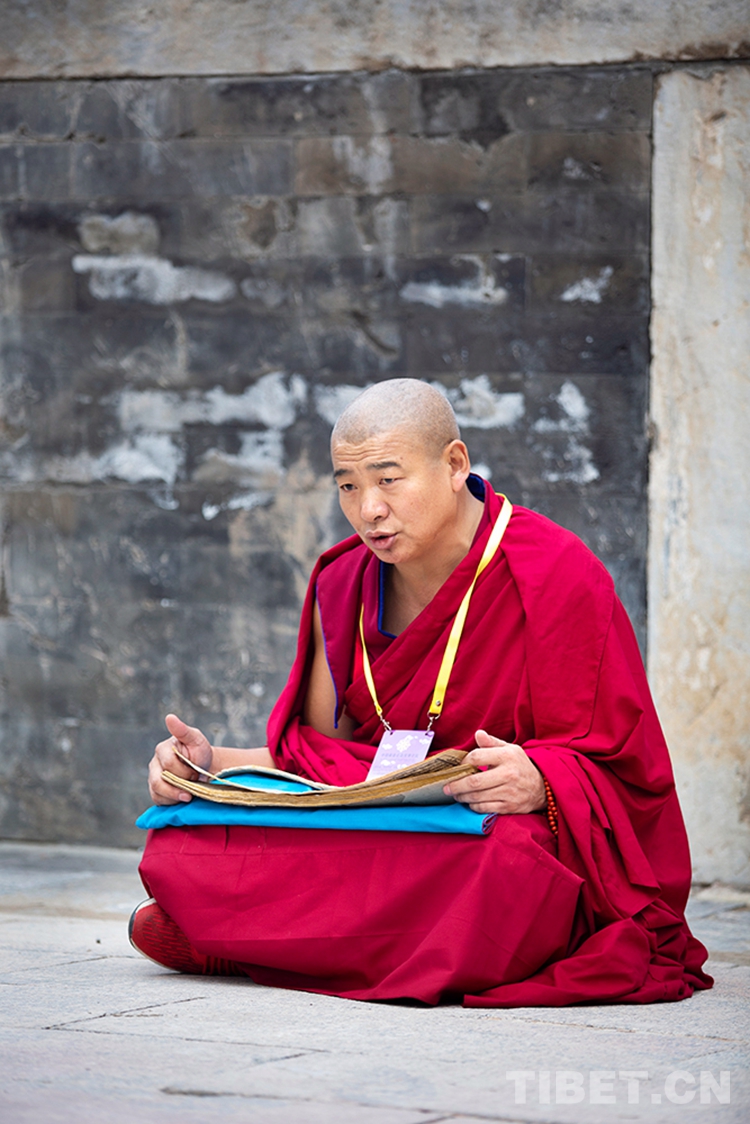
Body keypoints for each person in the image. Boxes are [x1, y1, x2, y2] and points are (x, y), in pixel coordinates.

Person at [132, 378, 712, 1006]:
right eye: (348, 486)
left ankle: (240, 941)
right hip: (384, 817)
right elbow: (320, 766)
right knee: (183, 835)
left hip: (483, 826)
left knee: (509, 861)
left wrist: (541, 781)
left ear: (455, 464)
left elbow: (627, 773)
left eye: (388, 479)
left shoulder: (555, 576)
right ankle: (283, 942)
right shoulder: (343, 581)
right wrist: (209, 766)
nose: (369, 510)